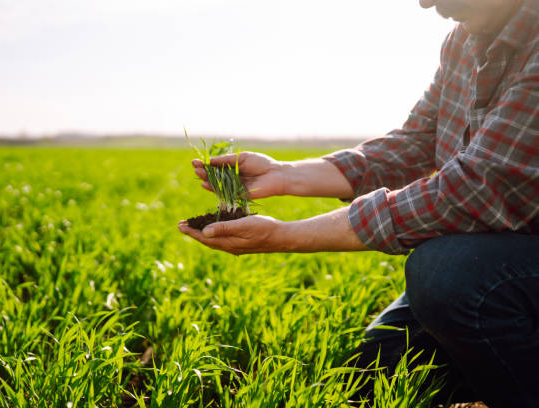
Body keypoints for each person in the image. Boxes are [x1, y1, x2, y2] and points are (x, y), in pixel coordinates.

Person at [178, 0, 539, 406]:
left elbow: (473, 189)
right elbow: (417, 143)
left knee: (448, 274)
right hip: (511, 252)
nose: (426, 2)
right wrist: (284, 174)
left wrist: (286, 236)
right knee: (380, 365)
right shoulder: (464, 41)